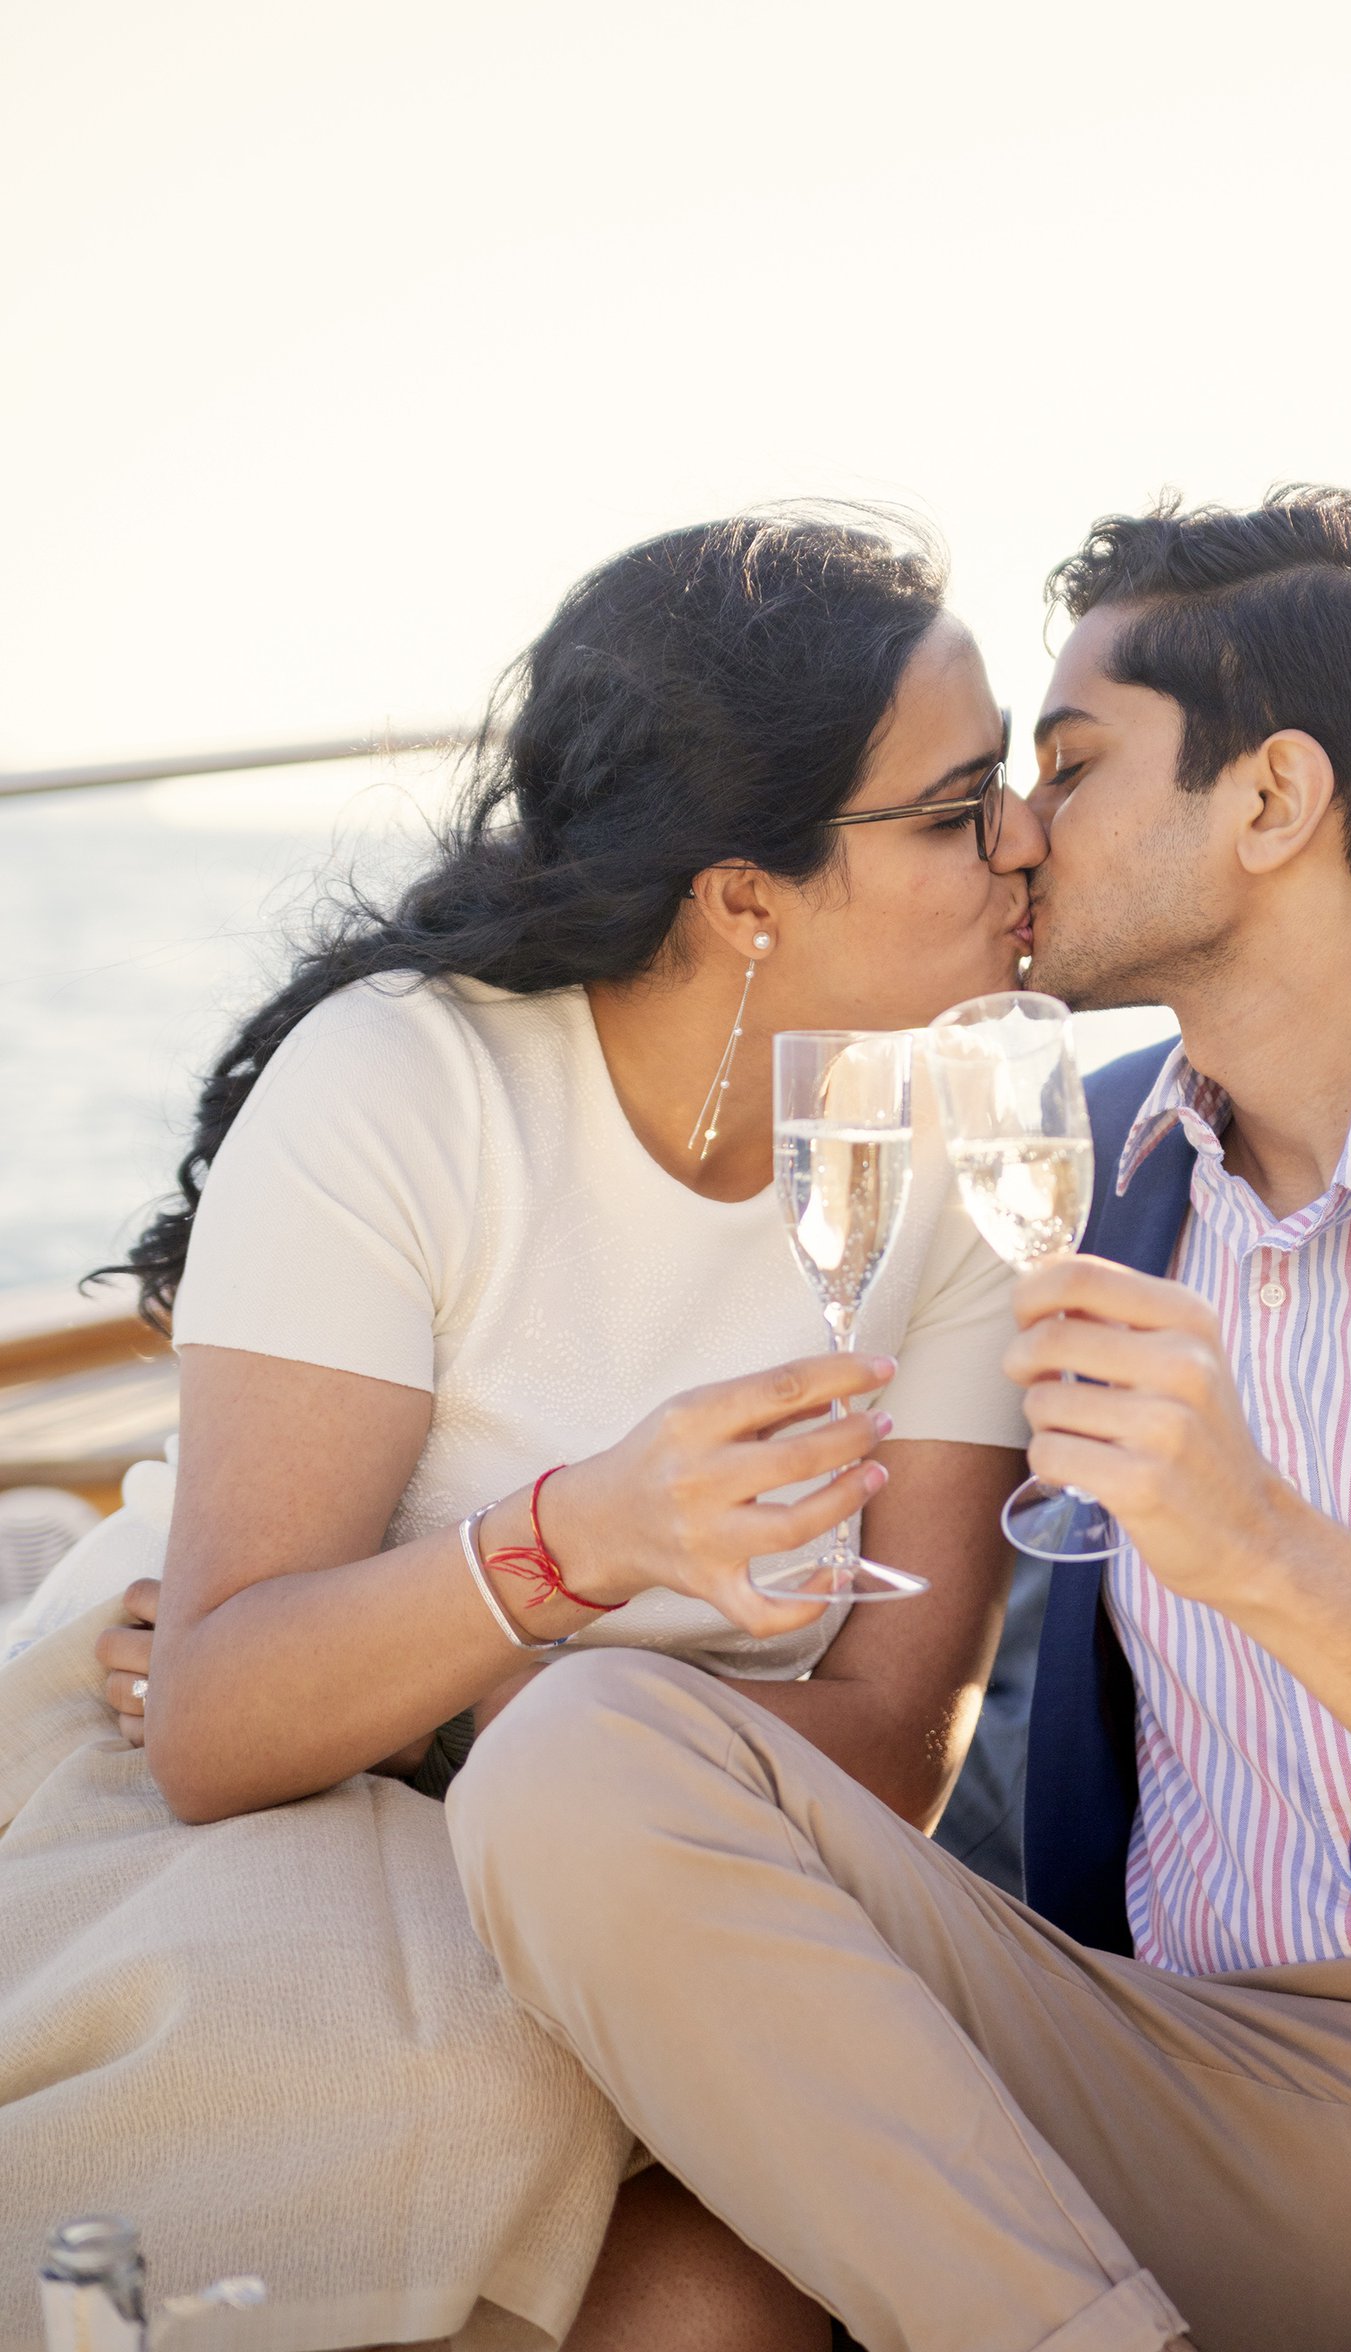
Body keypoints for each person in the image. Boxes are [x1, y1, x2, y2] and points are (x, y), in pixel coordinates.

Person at [444, 483, 1351, 2352]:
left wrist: (1277, 1562)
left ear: (1273, 803)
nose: (1010, 829)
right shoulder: (1049, 1162)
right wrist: (393, 1636)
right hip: (1169, 2101)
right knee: (584, 1754)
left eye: (1067, 765)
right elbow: (803, 1542)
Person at [0, 509, 1040, 2351]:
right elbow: (224, 1722)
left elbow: (891, 1758)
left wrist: (482, 1706)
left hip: (675, 1861)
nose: (1026, 838)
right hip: (286, 1820)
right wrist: (584, 1543)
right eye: (958, 808)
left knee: (733, 2291)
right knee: (475, 2095)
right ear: (746, 895)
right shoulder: (411, 1085)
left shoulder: (964, 1151)